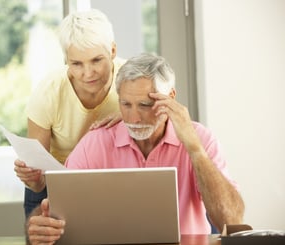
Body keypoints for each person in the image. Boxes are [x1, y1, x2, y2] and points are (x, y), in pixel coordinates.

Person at [26, 53, 245, 244]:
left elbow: (232, 220)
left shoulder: (201, 139)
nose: (134, 118)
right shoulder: (96, 142)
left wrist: (195, 149)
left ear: (170, 98)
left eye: (145, 105)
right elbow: (56, 211)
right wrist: (41, 225)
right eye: (126, 104)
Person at [14, 9, 125, 217]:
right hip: (56, 180)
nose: (88, 73)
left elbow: (166, 121)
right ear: (66, 60)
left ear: (112, 51)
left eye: (96, 60)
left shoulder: (131, 83)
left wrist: (130, 115)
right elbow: (38, 185)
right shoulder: (48, 93)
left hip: (110, 178)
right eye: (77, 64)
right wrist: (32, 177)